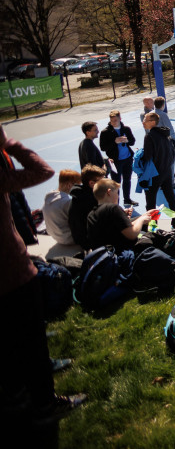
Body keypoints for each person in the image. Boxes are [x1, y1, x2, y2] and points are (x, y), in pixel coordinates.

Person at [0, 124, 86, 426]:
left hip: (11, 265)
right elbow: (41, 171)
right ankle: (45, 403)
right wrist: (9, 143)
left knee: (13, 336)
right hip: (11, 269)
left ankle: (18, 391)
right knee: (30, 336)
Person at [86, 178, 156, 251]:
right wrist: (141, 220)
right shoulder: (113, 208)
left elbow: (116, 230)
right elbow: (132, 234)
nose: (118, 196)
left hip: (104, 255)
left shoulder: (92, 214)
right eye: (116, 193)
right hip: (121, 254)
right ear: (109, 192)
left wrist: (142, 216)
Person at [140, 112, 175, 227]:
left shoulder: (149, 136)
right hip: (166, 172)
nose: (143, 122)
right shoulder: (166, 134)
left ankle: (153, 227)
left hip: (154, 174)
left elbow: (147, 157)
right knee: (171, 199)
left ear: (152, 122)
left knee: (151, 203)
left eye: (145, 120)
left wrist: (140, 156)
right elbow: (172, 153)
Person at [99, 110, 136, 205]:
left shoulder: (126, 129)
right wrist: (114, 142)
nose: (114, 122)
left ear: (120, 119)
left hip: (127, 159)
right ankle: (116, 203)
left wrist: (127, 140)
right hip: (115, 161)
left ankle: (127, 199)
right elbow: (103, 147)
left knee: (127, 179)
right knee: (116, 183)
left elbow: (132, 141)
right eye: (112, 120)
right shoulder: (105, 132)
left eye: (115, 120)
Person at [68, 164, 106, 248]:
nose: (105, 183)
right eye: (102, 181)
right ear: (92, 183)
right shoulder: (90, 199)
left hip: (81, 237)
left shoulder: (80, 194)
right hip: (88, 241)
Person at [43, 169, 80, 246]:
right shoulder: (66, 202)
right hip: (68, 238)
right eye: (78, 185)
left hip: (55, 236)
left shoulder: (49, 197)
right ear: (69, 185)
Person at [152, 97, 175, 188]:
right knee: (170, 161)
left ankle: (164, 179)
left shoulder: (151, 114)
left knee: (160, 162)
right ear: (163, 105)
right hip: (165, 141)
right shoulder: (163, 115)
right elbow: (169, 128)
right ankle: (171, 182)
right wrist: (174, 139)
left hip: (155, 142)